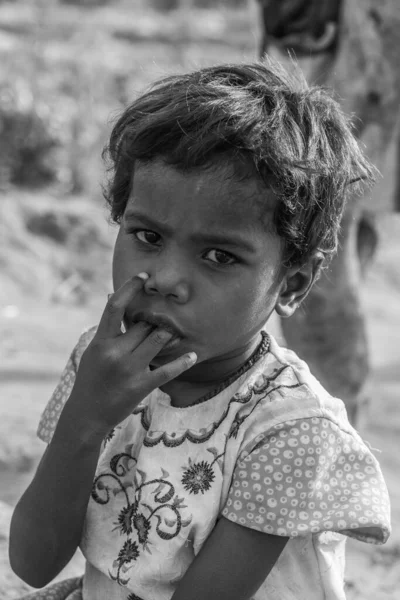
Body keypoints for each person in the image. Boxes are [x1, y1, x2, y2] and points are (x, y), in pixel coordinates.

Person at [9, 57, 391, 600]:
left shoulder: (289, 433)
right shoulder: (101, 364)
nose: (165, 280)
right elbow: (31, 560)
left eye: (218, 255)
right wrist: (84, 420)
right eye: (146, 236)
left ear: (292, 284)